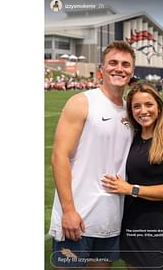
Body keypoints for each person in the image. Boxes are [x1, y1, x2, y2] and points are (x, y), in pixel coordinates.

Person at [48, 40, 135, 269]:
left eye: (125, 64)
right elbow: (59, 157)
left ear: (132, 71)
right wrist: (68, 211)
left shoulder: (131, 111)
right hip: (77, 218)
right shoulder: (82, 102)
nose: (119, 68)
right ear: (102, 68)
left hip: (110, 219)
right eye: (113, 63)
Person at [101, 83, 163, 270]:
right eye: (136, 106)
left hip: (155, 225)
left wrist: (130, 189)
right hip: (128, 221)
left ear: (159, 107)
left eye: (149, 104)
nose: (143, 111)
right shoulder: (130, 137)